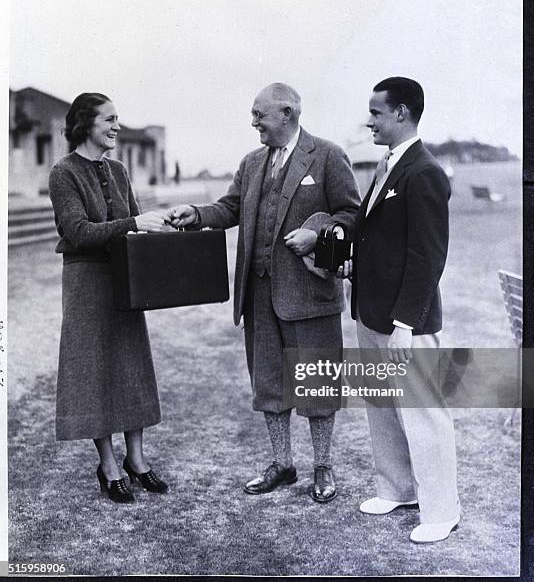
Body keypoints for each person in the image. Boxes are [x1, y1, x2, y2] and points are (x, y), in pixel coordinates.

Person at [171, 83, 359, 502]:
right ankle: (283, 463)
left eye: (260, 115)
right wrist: (198, 214)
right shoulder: (252, 162)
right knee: (269, 385)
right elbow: (231, 208)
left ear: (288, 113)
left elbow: (352, 214)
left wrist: (317, 233)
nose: (253, 122)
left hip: (310, 296)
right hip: (259, 295)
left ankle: (323, 467)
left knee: (317, 384)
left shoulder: (327, 155)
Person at [337, 77, 460, 542]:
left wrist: (406, 323)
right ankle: (398, 487)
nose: (368, 120)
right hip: (372, 311)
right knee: (382, 405)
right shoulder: (389, 165)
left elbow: (428, 255)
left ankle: (442, 510)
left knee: (424, 409)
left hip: (405, 319)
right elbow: (379, 236)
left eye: (376, 112)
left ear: (402, 113)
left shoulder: (424, 171)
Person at [48, 92, 169, 503]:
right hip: (87, 283)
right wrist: (134, 222)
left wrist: (160, 232)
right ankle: (108, 464)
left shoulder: (117, 169)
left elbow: (133, 227)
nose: (117, 125)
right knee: (96, 370)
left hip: (125, 278)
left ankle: (137, 460)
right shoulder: (63, 173)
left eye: (118, 118)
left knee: (131, 365)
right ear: (86, 123)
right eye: (110, 119)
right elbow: (78, 233)